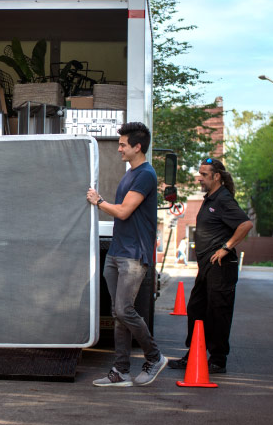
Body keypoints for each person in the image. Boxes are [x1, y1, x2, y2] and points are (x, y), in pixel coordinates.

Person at [86, 122, 167, 387]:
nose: (119, 148)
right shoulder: (130, 173)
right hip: (118, 251)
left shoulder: (145, 174)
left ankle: (154, 357)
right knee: (118, 312)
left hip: (133, 253)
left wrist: (99, 201)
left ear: (137, 147)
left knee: (124, 309)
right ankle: (120, 371)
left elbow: (123, 212)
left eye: (123, 144)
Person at [168, 157, 252, 374]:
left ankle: (218, 359)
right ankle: (194, 353)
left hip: (221, 267)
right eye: (200, 173)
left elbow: (245, 224)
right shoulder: (210, 199)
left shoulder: (223, 199)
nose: (200, 178)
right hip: (207, 268)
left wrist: (226, 247)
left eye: (204, 174)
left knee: (218, 312)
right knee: (196, 309)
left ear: (216, 177)